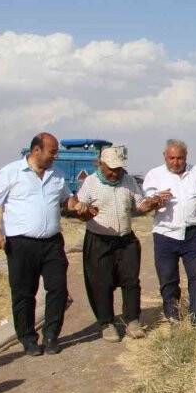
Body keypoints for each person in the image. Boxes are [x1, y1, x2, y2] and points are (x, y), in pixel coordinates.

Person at [0, 133, 79, 356]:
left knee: (58, 289)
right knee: (24, 293)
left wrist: (77, 205)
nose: (56, 156)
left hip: (52, 242)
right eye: (52, 151)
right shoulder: (11, 173)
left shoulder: (57, 175)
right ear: (36, 151)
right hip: (20, 244)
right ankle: (28, 338)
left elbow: (67, 200)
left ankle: (52, 335)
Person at [74, 145, 163, 342]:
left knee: (131, 281)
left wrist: (151, 203)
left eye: (118, 169)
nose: (115, 173)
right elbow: (80, 208)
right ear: (101, 164)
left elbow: (139, 205)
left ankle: (132, 320)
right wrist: (84, 210)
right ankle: (106, 323)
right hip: (99, 240)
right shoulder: (90, 182)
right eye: (111, 169)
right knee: (101, 283)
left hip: (126, 239)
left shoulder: (129, 181)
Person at [142, 139, 196, 326]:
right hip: (165, 233)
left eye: (180, 158)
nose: (176, 162)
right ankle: (172, 313)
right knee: (168, 276)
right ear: (165, 157)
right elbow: (147, 199)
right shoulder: (155, 175)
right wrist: (156, 199)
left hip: (193, 232)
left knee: (195, 275)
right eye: (172, 158)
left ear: (186, 157)